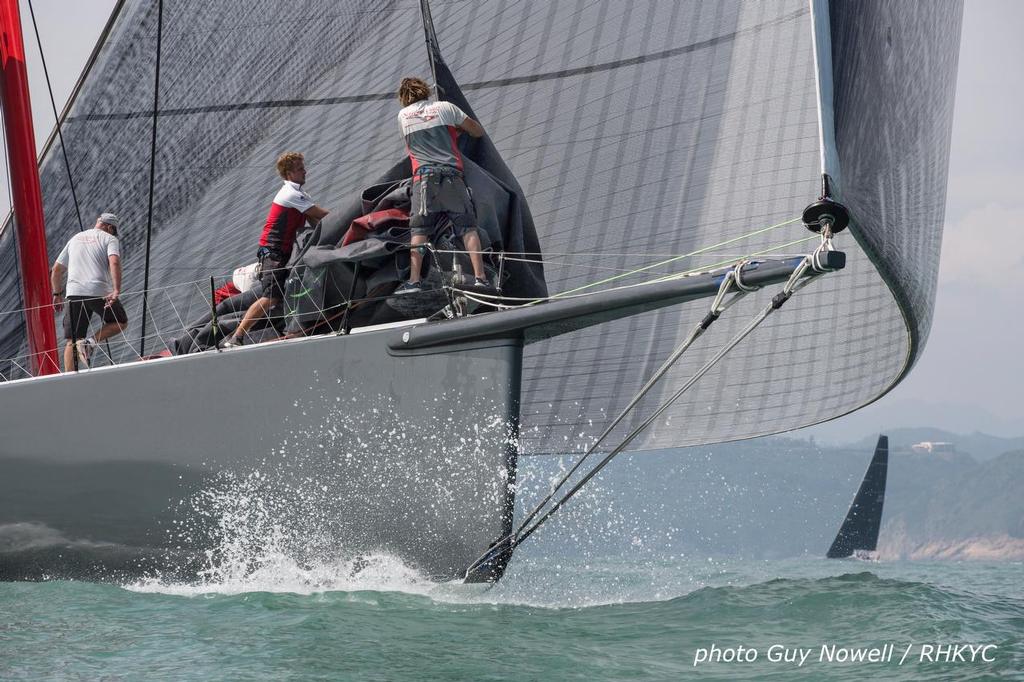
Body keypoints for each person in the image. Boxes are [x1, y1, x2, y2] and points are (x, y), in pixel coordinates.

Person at [220, 152, 329, 347]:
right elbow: (320, 214)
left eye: (303, 167)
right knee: (270, 298)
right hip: (273, 253)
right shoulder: (291, 194)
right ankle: (236, 338)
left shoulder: (301, 195)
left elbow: (315, 220)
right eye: (299, 169)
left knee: (277, 296)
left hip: (280, 253)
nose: (305, 171)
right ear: (288, 173)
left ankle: (285, 330)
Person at [394, 77, 488, 294]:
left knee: (419, 230)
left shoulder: (403, 116)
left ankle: (414, 281)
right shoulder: (446, 107)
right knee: (467, 229)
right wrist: (456, 131)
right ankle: (480, 278)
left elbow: (412, 145)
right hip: (451, 178)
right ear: (425, 90)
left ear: (403, 97)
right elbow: (477, 131)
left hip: (424, 181)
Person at [50, 212, 128, 370]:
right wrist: (116, 290)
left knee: (73, 339)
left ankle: (70, 380)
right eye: (113, 230)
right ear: (110, 227)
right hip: (98, 290)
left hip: (73, 292)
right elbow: (114, 262)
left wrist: (57, 294)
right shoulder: (110, 239)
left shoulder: (75, 239)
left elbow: (56, 270)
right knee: (120, 322)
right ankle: (90, 343)